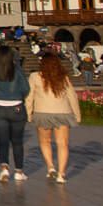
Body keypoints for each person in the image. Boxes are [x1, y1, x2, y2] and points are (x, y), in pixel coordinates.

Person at [26, 52, 81, 183]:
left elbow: (29, 97)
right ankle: (61, 174)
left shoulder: (35, 76)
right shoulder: (63, 77)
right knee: (63, 144)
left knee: (45, 141)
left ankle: (50, 167)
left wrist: (28, 113)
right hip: (63, 112)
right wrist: (77, 115)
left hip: (42, 113)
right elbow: (72, 96)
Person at [0, 44, 31, 183]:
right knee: (17, 141)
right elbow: (26, 88)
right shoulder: (16, 69)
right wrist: (19, 97)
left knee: (2, 141)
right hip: (16, 106)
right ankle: (19, 171)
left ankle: (4, 168)